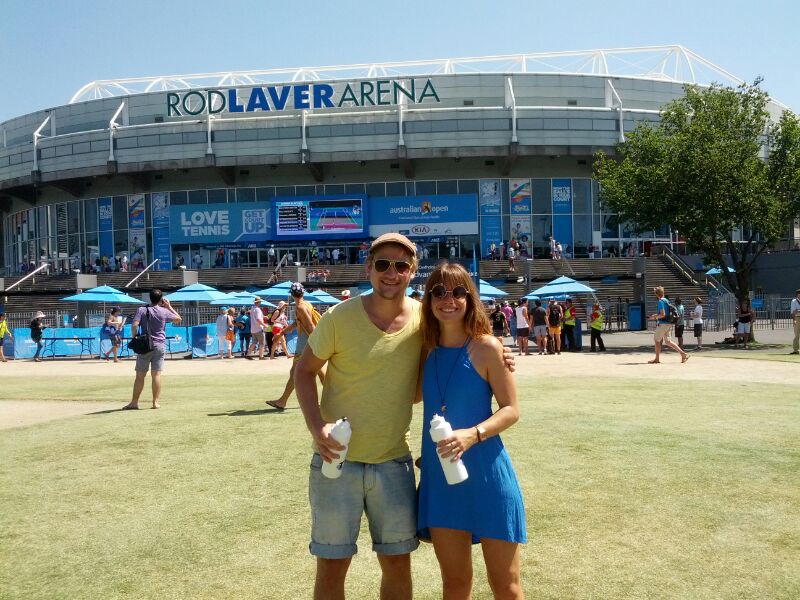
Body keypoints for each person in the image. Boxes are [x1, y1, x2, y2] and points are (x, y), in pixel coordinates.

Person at [294, 233, 516, 600]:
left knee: (397, 564)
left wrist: (502, 353)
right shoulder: (338, 317)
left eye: (401, 265)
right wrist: (317, 427)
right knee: (332, 565)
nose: (391, 273)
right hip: (338, 460)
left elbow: (464, 346)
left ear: (412, 272)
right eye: (383, 264)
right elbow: (304, 371)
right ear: (369, 268)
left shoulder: (422, 320)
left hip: (393, 464)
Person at [417, 261, 526, 599]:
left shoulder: (488, 347)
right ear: (428, 299)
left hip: (489, 477)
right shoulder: (423, 350)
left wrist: (471, 434)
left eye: (457, 292)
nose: (447, 299)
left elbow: (511, 410)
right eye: (438, 291)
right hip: (441, 482)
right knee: (454, 584)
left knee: (506, 586)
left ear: (470, 298)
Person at [266, 282, 325, 411]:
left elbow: (310, 326)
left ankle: (282, 401)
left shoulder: (300, 308)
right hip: (309, 342)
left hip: (305, 344)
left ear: (292, 294)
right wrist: (281, 332)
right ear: (303, 293)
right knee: (319, 371)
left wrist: (316, 343)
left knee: (295, 373)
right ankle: (332, 398)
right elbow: (297, 323)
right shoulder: (306, 304)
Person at [123, 289, 181, 410]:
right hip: (160, 345)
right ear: (161, 299)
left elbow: (134, 325)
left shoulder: (142, 309)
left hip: (145, 345)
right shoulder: (164, 311)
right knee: (156, 375)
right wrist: (169, 306)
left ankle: (134, 402)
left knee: (140, 375)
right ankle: (155, 402)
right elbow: (178, 319)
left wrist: (134, 337)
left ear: (149, 298)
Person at [648, 286, 689, 364]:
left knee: (657, 340)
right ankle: (683, 354)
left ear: (656, 294)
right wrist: (656, 315)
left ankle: (657, 359)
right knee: (668, 342)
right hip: (668, 323)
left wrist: (654, 317)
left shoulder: (660, 301)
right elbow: (665, 313)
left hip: (662, 324)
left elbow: (662, 314)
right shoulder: (666, 301)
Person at [790, 288, 800, 355]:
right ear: (797, 294)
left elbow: (796, 310)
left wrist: (798, 310)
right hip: (797, 318)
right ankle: (796, 350)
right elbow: (793, 312)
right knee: (797, 335)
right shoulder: (794, 301)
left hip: (797, 315)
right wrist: (794, 320)